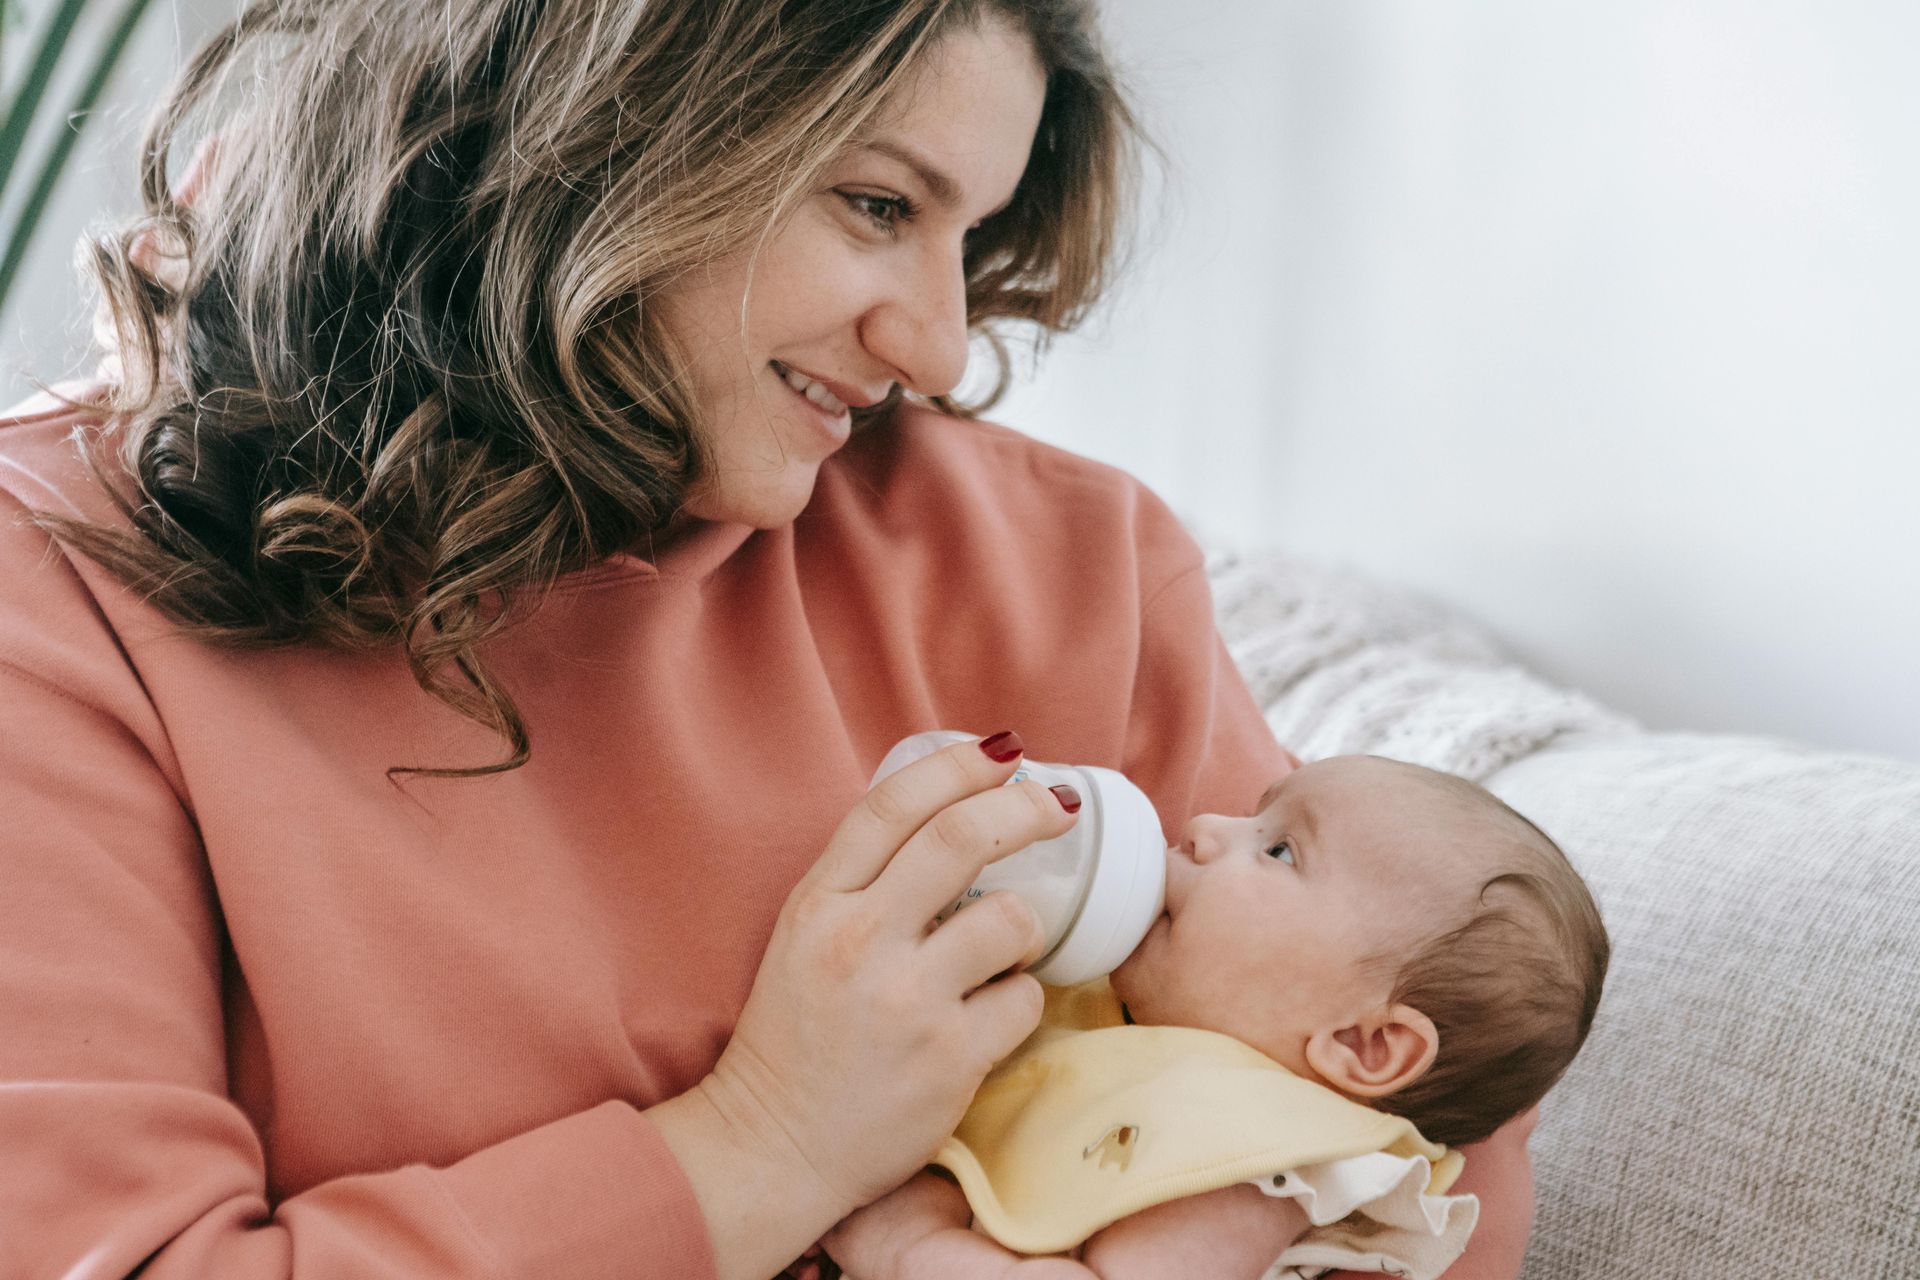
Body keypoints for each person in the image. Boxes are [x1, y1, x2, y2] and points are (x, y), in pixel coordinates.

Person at [0, 2, 1538, 1277]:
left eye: (969, 234)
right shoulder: (55, 598)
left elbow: (1413, 1117)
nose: (936, 343)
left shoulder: (1071, 571)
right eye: (878, 203)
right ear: (587, 127)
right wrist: (768, 1145)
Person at [816, 754, 1609, 1280]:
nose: (1204, 827)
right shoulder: (1115, 1006)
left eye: (1279, 852)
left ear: (1364, 1044)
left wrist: (912, 1246)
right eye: (1255, 814)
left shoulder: (1254, 1167)